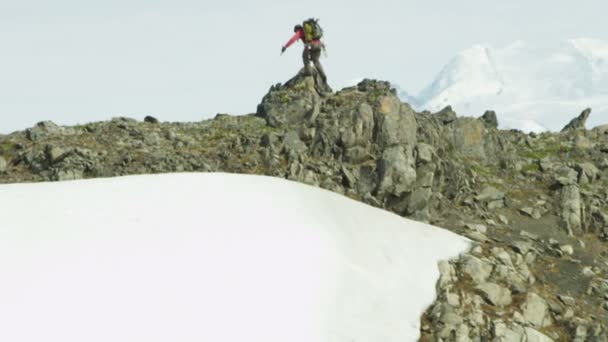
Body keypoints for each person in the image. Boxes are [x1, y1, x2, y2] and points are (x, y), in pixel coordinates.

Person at [281, 19, 327, 84]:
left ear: (297, 29)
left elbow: (292, 39)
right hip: (319, 44)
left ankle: (308, 73)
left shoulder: (300, 32)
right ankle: (323, 75)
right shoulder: (310, 32)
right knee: (316, 60)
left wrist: (285, 47)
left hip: (311, 45)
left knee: (305, 57)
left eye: (295, 32)